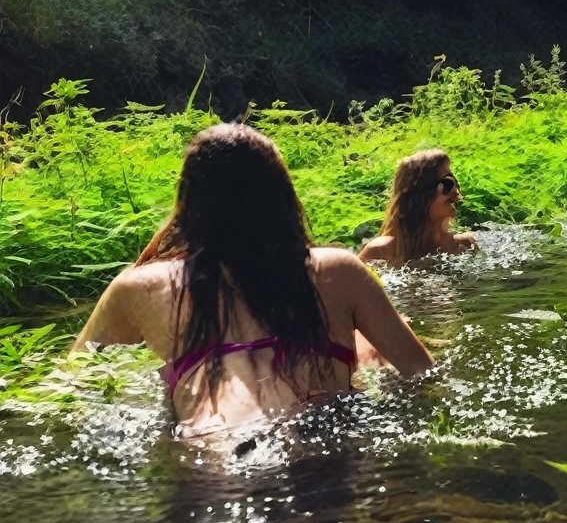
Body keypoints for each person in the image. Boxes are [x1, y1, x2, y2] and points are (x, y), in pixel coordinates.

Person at [73, 124, 434, 435]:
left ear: (189, 202)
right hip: (325, 450)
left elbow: (74, 385)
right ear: (283, 196)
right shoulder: (339, 270)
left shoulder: (139, 288)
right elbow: (421, 374)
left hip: (208, 465)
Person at [359, 150, 477, 268]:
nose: (454, 190)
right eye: (446, 183)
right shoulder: (381, 251)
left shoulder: (464, 245)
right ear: (419, 195)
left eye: (454, 181)